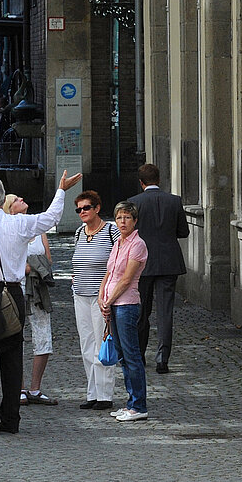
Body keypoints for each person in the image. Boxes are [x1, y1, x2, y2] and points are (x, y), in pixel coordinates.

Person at [0, 172, 80, 435]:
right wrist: (60, 190)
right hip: (13, 291)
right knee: (13, 356)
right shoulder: (20, 224)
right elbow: (51, 218)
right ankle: (11, 419)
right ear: (3, 199)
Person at [130, 163, 190, 374]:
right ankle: (162, 359)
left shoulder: (133, 203)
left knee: (140, 311)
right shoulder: (174, 201)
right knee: (165, 312)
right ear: (159, 180)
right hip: (168, 261)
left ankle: (138, 354)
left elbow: (128, 235)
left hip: (141, 263)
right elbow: (183, 232)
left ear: (141, 182)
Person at [98, 200, 149, 422]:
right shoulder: (118, 243)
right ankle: (131, 403)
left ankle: (138, 405)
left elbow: (127, 279)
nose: (122, 221)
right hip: (113, 303)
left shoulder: (138, 245)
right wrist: (102, 297)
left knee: (131, 355)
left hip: (126, 304)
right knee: (122, 355)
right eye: (119, 217)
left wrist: (109, 300)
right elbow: (109, 273)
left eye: (127, 217)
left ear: (135, 221)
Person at [7, 194, 57, 406]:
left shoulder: (38, 228)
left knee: (43, 337)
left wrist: (33, 266)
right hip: (17, 289)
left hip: (38, 289)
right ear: (10, 208)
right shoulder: (8, 230)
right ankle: (18, 388)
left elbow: (48, 258)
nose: (22, 198)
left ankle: (35, 388)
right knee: (15, 337)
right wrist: (26, 267)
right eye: (17, 199)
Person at [72, 190, 119, 409]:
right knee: (86, 344)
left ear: (97, 208)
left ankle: (105, 395)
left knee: (103, 344)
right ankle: (92, 392)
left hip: (101, 297)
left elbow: (119, 262)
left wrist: (109, 294)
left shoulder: (111, 231)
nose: (82, 212)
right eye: (79, 209)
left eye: (86, 208)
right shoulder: (79, 232)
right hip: (80, 294)